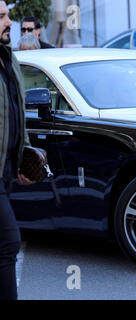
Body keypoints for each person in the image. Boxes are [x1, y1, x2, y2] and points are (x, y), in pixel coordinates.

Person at [0, 1, 34, 300]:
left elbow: (14, 113)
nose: (9, 22)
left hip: (5, 171)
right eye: (1, 16)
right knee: (8, 243)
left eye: (8, 14)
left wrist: (23, 156)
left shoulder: (7, 59)